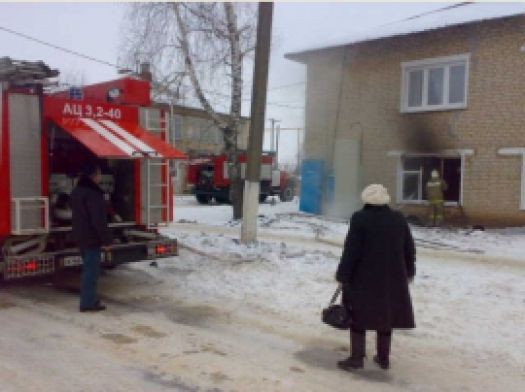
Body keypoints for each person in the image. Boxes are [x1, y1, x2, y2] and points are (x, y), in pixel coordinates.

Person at [336, 184, 416, 371]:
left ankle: (356, 358)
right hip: (392, 278)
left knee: (357, 314)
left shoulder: (360, 218)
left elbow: (352, 250)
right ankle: (383, 358)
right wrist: (409, 271)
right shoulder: (398, 219)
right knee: (385, 315)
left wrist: (343, 274)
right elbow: (409, 248)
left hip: (363, 278)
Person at [71, 162, 112, 312]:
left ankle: (89, 300)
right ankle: (88, 302)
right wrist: (106, 240)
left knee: (89, 269)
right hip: (91, 238)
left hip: (80, 235)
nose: (101, 176)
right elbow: (98, 220)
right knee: (91, 271)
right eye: (99, 173)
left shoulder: (76, 191)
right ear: (94, 176)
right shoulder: (93, 194)